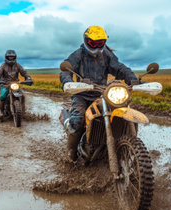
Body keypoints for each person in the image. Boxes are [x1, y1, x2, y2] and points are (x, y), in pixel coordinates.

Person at [59, 26, 139, 161]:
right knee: (78, 121)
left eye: (100, 43)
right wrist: (67, 81)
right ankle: (71, 154)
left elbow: (119, 68)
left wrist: (134, 79)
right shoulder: (78, 54)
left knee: (123, 113)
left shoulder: (107, 54)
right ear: (86, 40)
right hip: (82, 94)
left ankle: (126, 148)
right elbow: (66, 70)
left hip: (103, 93)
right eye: (93, 43)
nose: (97, 47)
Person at [0, 50, 31, 120]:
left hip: (15, 83)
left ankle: (23, 111)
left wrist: (28, 78)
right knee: (2, 96)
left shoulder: (17, 65)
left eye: (12, 57)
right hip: (5, 84)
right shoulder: (3, 65)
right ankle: (0, 111)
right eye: (9, 57)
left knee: (22, 96)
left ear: (15, 57)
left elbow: (24, 72)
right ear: (6, 57)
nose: (11, 58)